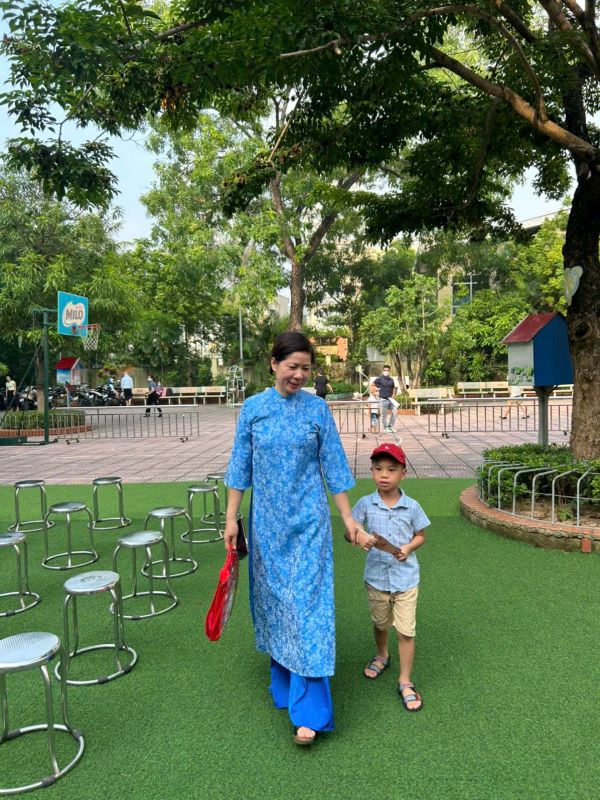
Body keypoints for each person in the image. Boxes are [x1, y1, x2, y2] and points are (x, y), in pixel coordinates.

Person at [224, 331, 374, 746]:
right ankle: (284, 681)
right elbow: (239, 467)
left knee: (309, 609)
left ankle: (310, 712)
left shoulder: (317, 409)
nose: (299, 375)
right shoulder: (253, 409)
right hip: (267, 527)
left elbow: (334, 465)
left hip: (310, 526)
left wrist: (348, 519)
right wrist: (231, 519)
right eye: (292, 366)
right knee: (275, 601)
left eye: (306, 368)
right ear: (273, 364)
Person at [352, 442, 430, 712]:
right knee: (380, 622)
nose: (384, 475)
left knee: (406, 631)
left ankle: (405, 680)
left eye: (391, 469)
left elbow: (421, 535)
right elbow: (351, 529)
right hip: (376, 579)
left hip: (406, 580)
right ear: (372, 471)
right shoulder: (365, 503)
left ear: (403, 473)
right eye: (378, 469)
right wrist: (359, 535)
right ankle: (382, 654)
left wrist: (408, 547)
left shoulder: (412, 507)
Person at [374, 365, 398, 431]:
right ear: (383, 371)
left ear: (389, 371)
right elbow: (372, 386)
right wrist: (376, 393)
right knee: (383, 415)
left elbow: (393, 387)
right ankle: (385, 427)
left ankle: (390, 426)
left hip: (391, 399)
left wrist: (393, 394)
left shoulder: (391, 379)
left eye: (387, 370)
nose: (386, 371)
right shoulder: (379, 379)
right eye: (385, 370)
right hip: (383, 400)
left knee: (395, 412)